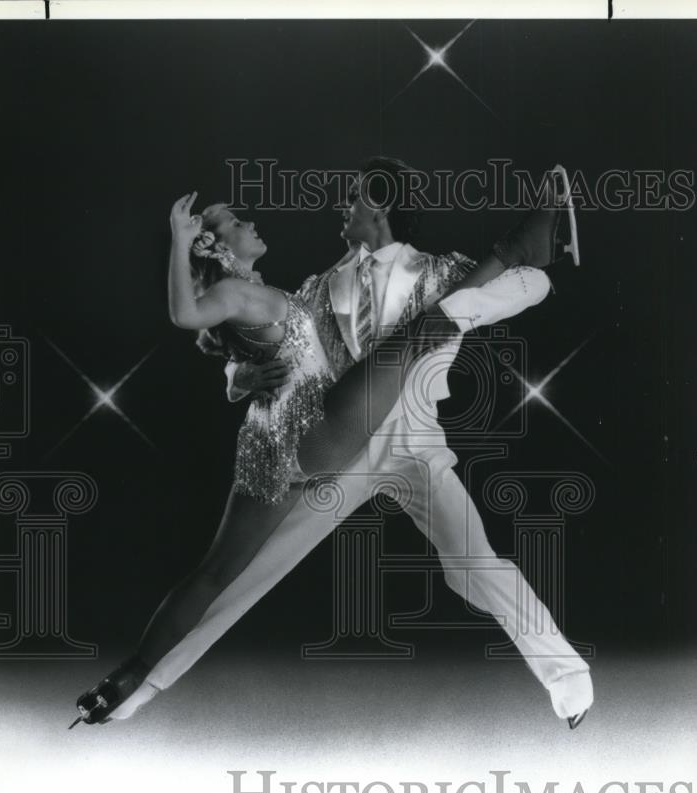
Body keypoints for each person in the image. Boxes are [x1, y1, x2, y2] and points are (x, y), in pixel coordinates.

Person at [73, 159, 590, 728]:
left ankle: (567, 679)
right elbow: (263, 349)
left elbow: (535, 284)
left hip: (414, 439)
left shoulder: (444, 269)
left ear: (380, 203)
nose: (340, 209)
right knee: (248, 570)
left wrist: (477, 301)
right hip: (340, 447)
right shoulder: (315, 289)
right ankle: (141, 687)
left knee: (471, 562)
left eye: (352, 198)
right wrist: (244, 378)